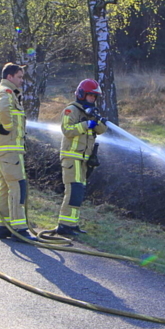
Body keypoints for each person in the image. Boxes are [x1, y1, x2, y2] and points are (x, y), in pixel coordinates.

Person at [54, 79, 107, 237]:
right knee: (73, 191)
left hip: (83, 160)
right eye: (91, 96)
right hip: (71, 157)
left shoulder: (89, 112)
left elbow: (102, 130)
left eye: (95, 97)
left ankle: (72, 224)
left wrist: (98, 120)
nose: (93, 99)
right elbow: (67, 130)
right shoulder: (71, 110)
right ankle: (63, 226)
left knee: (79, 192)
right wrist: (86, 125)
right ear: (83, 94)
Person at [0, 63, 31, 240]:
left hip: (4, 148)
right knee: (17, 186)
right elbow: (4, 109)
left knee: (5, 187)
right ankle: (19, 229)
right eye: (19, 77)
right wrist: (7, 127)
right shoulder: (5, 92)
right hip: (9, 149)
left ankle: (4, 226)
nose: (22, 80)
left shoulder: (2, 91)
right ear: (10, 77)